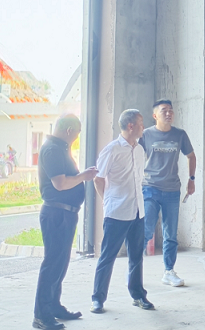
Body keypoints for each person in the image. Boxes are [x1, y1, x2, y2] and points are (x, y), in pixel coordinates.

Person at [33, 115, 98, 330]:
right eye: (77, 133)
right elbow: (60, 184)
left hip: (65, 214)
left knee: (60, 264)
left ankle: (54, 306)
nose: (77, 138)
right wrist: (83, 176)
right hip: (56, 213)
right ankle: (41, 315)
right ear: (69, 130)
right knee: (52, 264)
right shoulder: (52, 150)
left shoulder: (60, 148)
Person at [89, 109, 155, 314]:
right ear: (130, 126)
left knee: (136, 256)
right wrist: (108, 201)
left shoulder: (139, 150)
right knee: (108, 256)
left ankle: (138, 295)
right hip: (117, 212)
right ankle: (98, 299)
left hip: (138, 212)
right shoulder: (112, 150)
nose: (144, 127)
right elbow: (98, 178)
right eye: (141, 123)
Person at [138, 99, 196, 287]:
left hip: (172, 190)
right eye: (164, 110)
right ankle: (134, 269)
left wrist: (191, 179)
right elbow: (134, 155)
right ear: (155, 115)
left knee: (170, 234)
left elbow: (191, 156)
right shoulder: (146, 135)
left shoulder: (180, 134)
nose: (169, 113)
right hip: (150, 187)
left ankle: (169, 271)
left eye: (171, 110)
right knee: (146, 229)